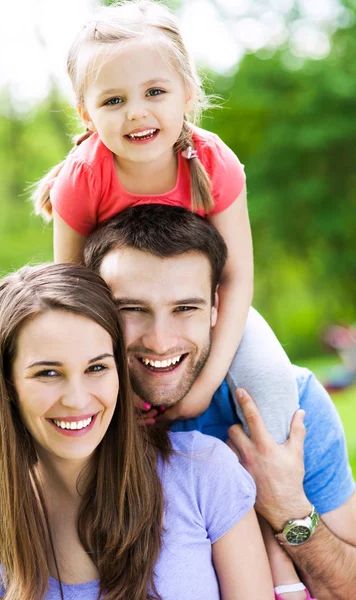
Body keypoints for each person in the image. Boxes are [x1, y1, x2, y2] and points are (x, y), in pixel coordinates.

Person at [0, 206, 354, 597]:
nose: (160, 341)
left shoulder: (286, 409)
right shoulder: (73, 417)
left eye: (185, 308)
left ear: (216, 308)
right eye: (131, 309)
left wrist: (289, 511)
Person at [31, 0, 298, 444]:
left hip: (201, 309)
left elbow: (236, 278)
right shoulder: (81, 180)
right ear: (85, 113)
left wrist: (205, 386)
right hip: (121, 320)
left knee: (270, 376)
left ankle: (275, 484)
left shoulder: (215, 164)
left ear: (187, 92)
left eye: (155, 92)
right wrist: (112, 371)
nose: (136, 112)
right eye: (114, 100)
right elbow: (75, 294)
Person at [0, 262, 274, 600]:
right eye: (48, 373)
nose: (77, 399)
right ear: (8, 384)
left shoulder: (201, 473)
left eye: (97, 367)